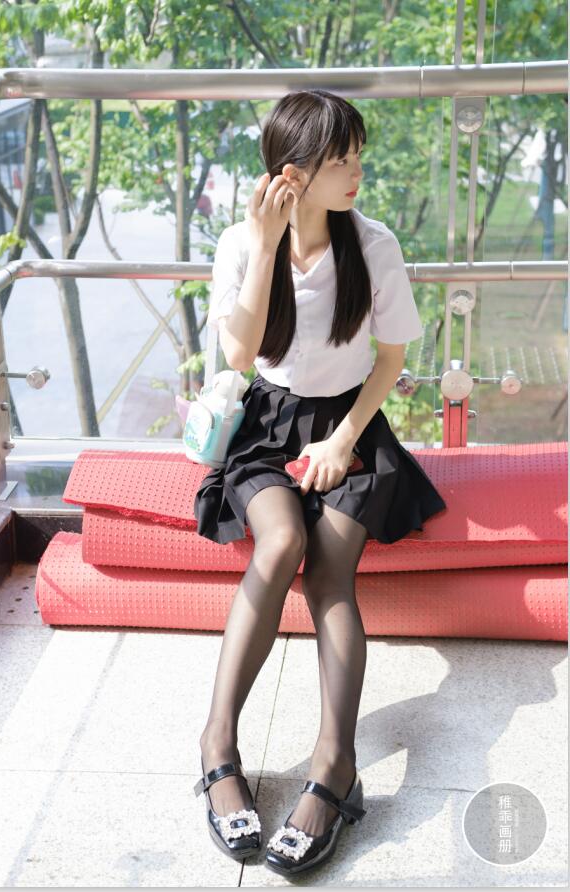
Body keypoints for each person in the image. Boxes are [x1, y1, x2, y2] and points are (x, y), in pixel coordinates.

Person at [192, 89, 447, 876]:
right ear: (292, 175)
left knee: (331, 572)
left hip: (349, 423)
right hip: (267, 426)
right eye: (341, 161)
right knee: (279, 544)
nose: (357, 172)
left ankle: (335, 766)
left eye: (357, 156)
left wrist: (343, 439)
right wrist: (269, 244)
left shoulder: (372, 244)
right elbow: (240, 357)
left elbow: (391, 361)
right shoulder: (242, 242)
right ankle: (218, 744)